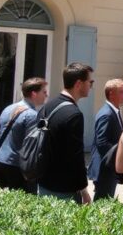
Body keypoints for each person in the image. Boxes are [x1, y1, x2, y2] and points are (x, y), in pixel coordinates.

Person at [37, 62, 93, 204]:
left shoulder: (47, 106)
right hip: (64, 189)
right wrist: (84, 190)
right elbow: (75, 156)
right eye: (90, 82)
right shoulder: (74, 114)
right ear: (79, 84)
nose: (91, 86)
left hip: (43, 182)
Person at [0, 77, 47, 193]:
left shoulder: (8, 108)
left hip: (0, 161)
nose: (46, 95)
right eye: (44, 92)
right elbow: (32, 146)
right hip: (17, 166)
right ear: (34, 94)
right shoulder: (32, 115)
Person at [88, 78, 123, 200]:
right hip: (104, 169)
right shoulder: (106, 114)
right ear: (111, 94)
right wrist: (120, 155)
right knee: (102, 204)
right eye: (122, 92)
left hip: (108, 168)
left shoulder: (114, 112)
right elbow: (102, 143)